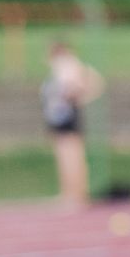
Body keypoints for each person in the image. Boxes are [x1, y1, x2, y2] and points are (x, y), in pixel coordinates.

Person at [42, 39, 105, 208]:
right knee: (67, 156)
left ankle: (76, 194)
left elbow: (92, 82)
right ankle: (70, 193)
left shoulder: (68, 65)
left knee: (71, 157)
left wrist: (78, 96)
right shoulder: (62, 67)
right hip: (60, 116)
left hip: (66, 115)